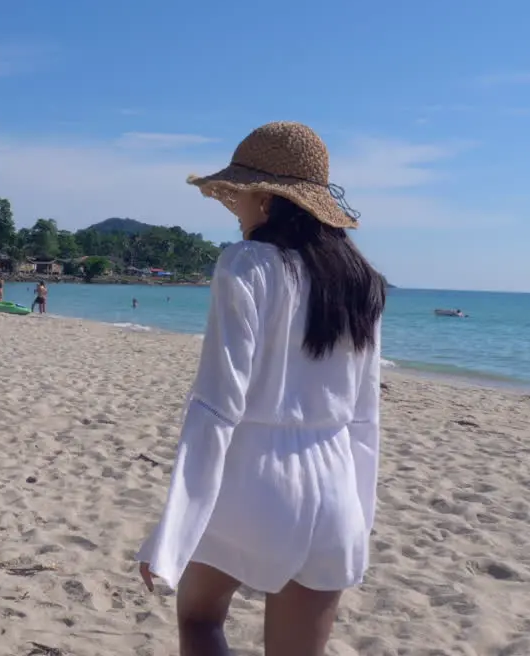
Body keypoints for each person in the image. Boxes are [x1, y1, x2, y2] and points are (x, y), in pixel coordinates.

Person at [136, 122, 385, 655]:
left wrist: (171, 533)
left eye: (242, 196)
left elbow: (216, 406)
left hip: (256, 476)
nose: (238, 211)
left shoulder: (246, 265)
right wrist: (360, 516)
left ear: (268, 201)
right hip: (336, 480)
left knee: (200, 621)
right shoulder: (362, 283)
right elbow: (366, 416)